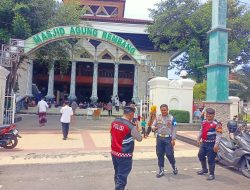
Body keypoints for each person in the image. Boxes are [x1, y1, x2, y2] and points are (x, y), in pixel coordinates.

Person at [110, 106, 142, 190]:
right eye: (133, 114)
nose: (133, 116)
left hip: (114, 152)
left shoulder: (115, 121)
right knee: (122, 177)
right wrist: (138, 129)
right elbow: (139, 138)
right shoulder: (130, 126)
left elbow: (111, 135)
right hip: (124, 155)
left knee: (117, 173)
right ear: (131, 114)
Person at [151, 104, 178, 178]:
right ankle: (161, 170)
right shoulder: (157, 117)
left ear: (167, 110)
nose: (163, 111)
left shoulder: (172, 118)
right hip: (159, 138)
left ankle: (174, 166)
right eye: (162, 110)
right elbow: (153, 125)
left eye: (165, 110)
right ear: (160, 110)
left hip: (168, 139)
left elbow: (174, 129)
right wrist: (153, 128)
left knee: (169, 154)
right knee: (160, 154)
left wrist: (173, 139)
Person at [197, 108, 223, 180]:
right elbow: (201, 130)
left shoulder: (217, 124)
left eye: (210, 114)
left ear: (213, 115)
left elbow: (219, 135)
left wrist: (216, 145)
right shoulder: (204, 121)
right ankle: (204, 169)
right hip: (204, 143)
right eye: (207, 114)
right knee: (200, 155)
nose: (208, 115)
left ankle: (212, 174)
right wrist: (198, 139)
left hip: (212, 144)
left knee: (211, 159)